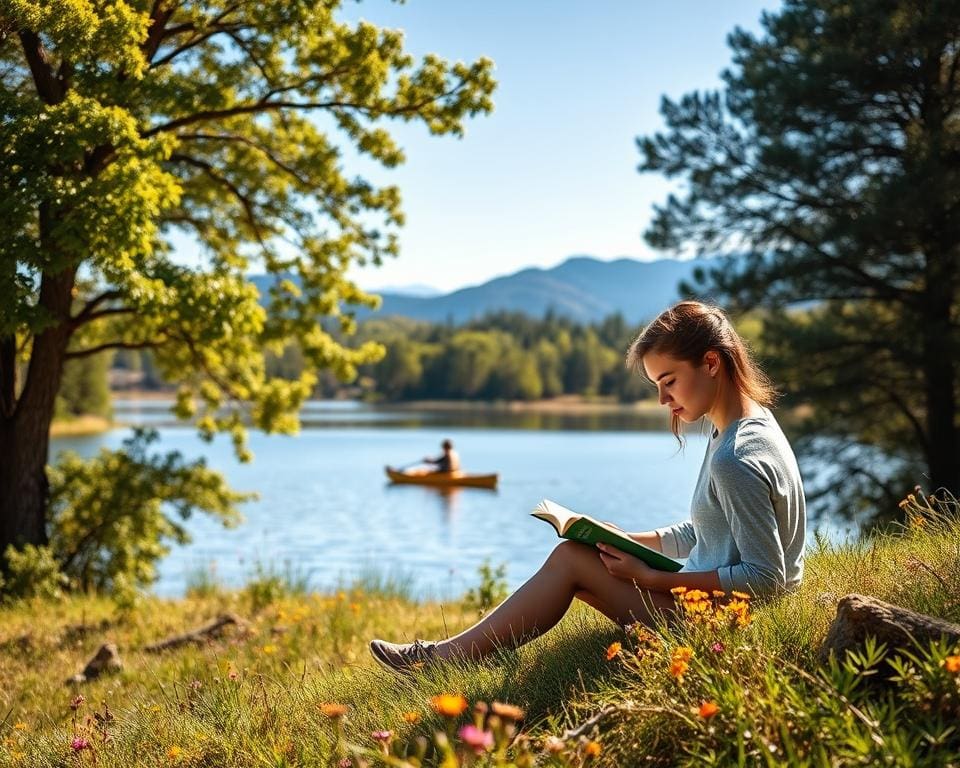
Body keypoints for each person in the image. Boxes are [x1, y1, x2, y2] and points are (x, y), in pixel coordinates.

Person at [370, 301, 806, 671]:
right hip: (716, 605)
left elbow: (766, 578)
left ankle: (440, 659)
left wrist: (652, 577)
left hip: (725, 623)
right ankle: (448, 656)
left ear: (711, 363)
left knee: (570, 561)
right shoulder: (748, 426)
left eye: (668, 381)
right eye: (657, 386)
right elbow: (709, 530)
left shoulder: (735, 457)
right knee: (578, 556)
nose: (662, 400)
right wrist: (628, 540)